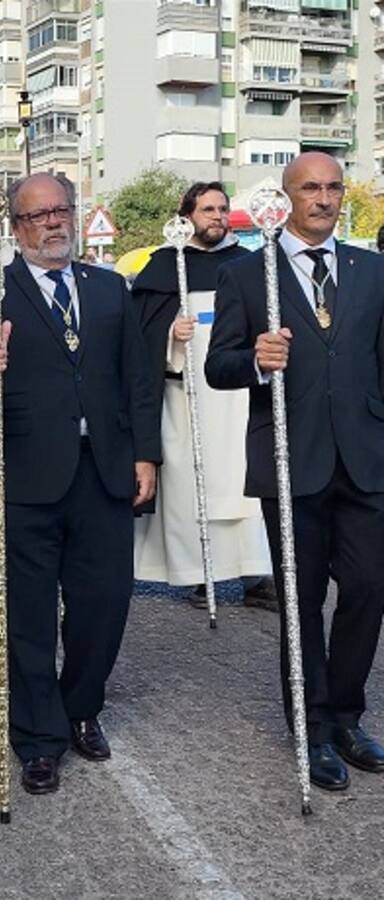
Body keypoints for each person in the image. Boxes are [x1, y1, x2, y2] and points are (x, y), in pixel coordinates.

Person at [0, 173, 159, 795]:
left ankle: (80, 707)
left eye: (61, 210)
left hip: (104, 471)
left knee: (104, 604)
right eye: (39, 215)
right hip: (25, 473)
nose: (53, 223)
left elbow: (138, 380)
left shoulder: (109, 288)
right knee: (29, 615)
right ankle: (37, 739)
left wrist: (146, 456)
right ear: (17, 227)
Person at [206, 151, 384, 792]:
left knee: (368, 587)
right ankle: (312, 729)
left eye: (334, 187)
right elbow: (217, 366)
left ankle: (346, 716)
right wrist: (256, 358)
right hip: (290, 460)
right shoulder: (248, 274)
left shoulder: (373, 270)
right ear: (285, 198)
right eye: (311, 188)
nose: (324, 198)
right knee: (302, 600)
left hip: (365, 460)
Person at [131, 182, 275, 608]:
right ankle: (199, 572)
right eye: (207, 209)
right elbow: (136, 339)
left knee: (247, 485)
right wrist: (168, 335)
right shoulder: (163, 267)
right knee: (192, 489)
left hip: (240, 400)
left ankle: (256, 573)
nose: (217, 217)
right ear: (187, 216)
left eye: (222, 209)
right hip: (187, 401)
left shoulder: (248, 265)